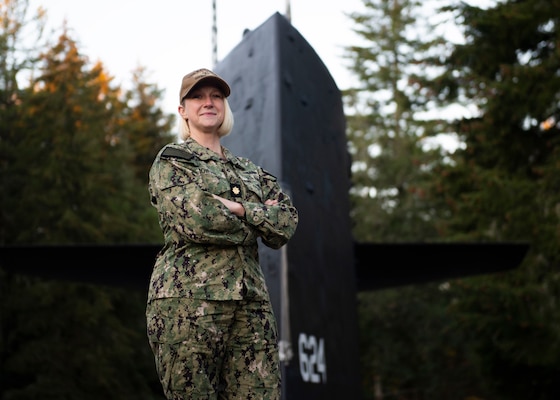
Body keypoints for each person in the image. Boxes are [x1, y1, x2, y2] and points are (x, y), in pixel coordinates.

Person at [146, 68, 299, 400]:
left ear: (225, 106)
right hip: (188, 304)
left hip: (251, 306)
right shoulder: (173, 162)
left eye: (216, 96)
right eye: (197, 96)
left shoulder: (250, 171)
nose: (208, 102)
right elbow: (197, 219)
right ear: (183, 111)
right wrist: (260, 216)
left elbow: (285, 222)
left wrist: (241, 209)